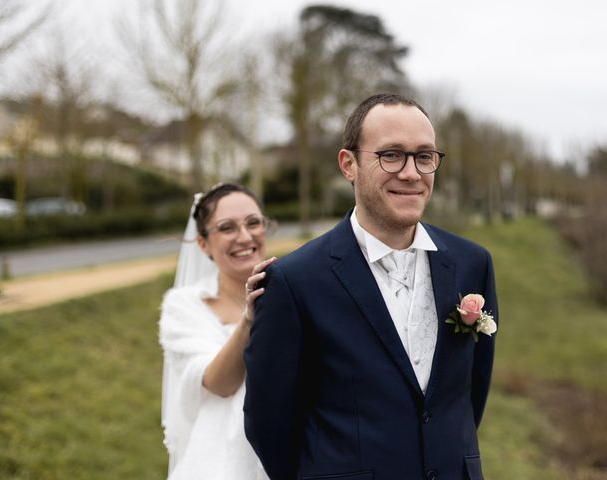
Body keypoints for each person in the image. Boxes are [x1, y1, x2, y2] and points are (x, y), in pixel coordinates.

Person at [244, 93, 498, 480]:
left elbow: (469, 396)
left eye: (424, 156)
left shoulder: (472, 263)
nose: (411, 173)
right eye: (391, 155)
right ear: (349, 164)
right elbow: (269, 422)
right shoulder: (294, 282)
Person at [159, 183, 275, 480]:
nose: (245, 236)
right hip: (220, 462)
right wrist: (249, 319)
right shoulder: (185, 306)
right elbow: (221, 383)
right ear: (203, 244)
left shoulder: (293, 289)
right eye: (227, 228)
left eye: (253, 223)